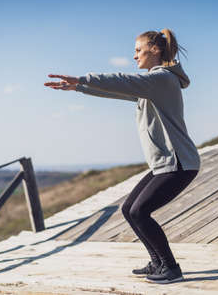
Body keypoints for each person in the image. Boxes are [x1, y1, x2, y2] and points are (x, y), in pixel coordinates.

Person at [44, 28, 200, 284]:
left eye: (138, 50)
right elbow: (120, 91)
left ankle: (171, 268)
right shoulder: (153, 82)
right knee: (129, 209)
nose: (134, 55)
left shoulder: (161, 79)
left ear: (155, 50)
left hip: (179, 162)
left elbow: (122, 81)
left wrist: (83, 78)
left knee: (140, 211)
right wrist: (79, 87)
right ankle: (158, 262)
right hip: (166, 162)